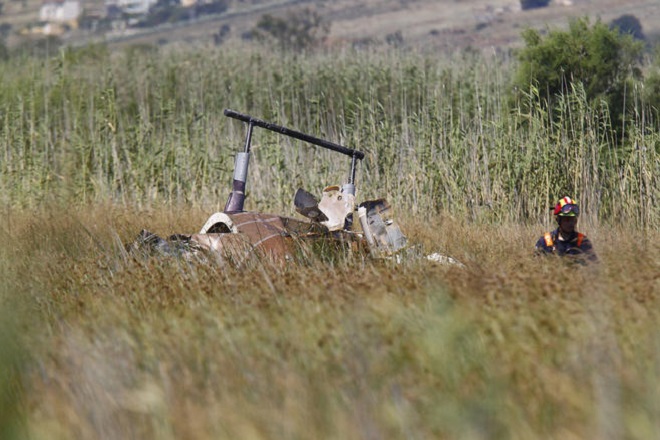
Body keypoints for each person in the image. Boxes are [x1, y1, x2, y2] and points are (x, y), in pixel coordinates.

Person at [535, 196, 598, 264]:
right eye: (567, 219)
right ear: (558, 220)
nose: (570, 223)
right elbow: (535, 267)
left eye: (572, 219)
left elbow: (594, 267)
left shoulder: (583, 241)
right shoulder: (545, 241)